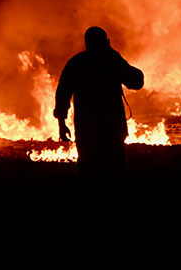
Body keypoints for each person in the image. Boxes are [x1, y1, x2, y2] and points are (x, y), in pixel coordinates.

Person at [53, 26, 143, 182]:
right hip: (112, 128)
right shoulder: (111, 61)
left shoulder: (77, 63)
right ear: (106, 42)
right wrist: (114, 55)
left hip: (87, 129)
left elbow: (63, 95)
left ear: (86, 43)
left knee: (88, 171)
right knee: (115, 171)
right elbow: (137, 81)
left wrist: (62, 124)